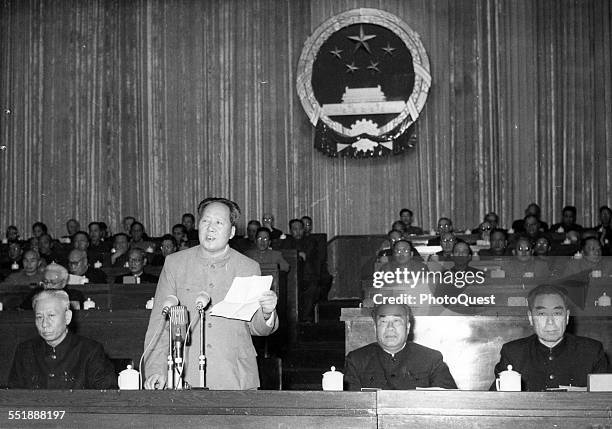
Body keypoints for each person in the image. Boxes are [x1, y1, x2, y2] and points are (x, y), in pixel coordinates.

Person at [144, 198, 278, 390]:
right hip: (184, 376)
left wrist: (267, 313)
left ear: (232, 231)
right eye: (206, 221)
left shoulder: (248, 267)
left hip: (234, 378)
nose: (210, 228)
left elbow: (257, 328)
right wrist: (156, 369)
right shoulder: (175, 264)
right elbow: (159, 323)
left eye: (219, 222)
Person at [492, 285, 608, 391]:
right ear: (531, 318)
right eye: (542, 314)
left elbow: (605, 403)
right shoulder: (513, 353)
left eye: (557, 313)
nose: (550, 322)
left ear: (567, 316)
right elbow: (496, 403)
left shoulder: (591, 351)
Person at [8, 289, 117, 389]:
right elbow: (13, 398)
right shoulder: (25, 350)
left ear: (67, 317)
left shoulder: (90, 350)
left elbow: (106, 398)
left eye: (51, 315)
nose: (44, 324)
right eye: (39, 317)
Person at [344, 303, 457, 390]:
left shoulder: (431, 359)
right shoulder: (356, 360)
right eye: (383, 322)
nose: (390, 327)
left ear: (407, 327)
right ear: (375, 328)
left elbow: (450, 402)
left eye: (396, 321)